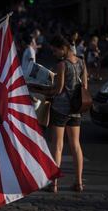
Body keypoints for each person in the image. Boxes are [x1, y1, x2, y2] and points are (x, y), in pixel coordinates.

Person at [30, 35, 87, 193]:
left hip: (60, 109)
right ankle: (79, 183)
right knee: (76, 145)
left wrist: (43, 89)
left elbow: (59, 89)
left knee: (58, 146)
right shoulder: (82, 62)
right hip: (76, 110)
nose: (54, 53)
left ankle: (54, 184)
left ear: (63, 48)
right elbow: (85, 86)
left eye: (55, 51)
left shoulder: (62, 65)